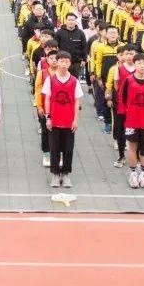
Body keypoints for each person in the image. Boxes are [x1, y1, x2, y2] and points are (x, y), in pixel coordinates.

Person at [43, 51, 83, 188]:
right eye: (61, 61)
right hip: (54, 120)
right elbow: (47, 98)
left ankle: (65, 174)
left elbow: (77, 102)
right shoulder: (50, 79)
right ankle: (55, 174)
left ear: (70, 63)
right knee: (54, 149)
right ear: (57, 62)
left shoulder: (74, 81)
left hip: (68, 121)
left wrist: (75, 120)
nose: (64, 63)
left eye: (66, 61)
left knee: (68, 149)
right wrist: (48, 117)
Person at [120, 52, 144, 189]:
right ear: (134, 64)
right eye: (139, 63)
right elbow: (123, 99)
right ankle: (133, 173)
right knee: (132, 147)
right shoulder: (128, 80)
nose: (141, 65)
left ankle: (143, 174)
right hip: (132, 120)